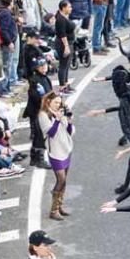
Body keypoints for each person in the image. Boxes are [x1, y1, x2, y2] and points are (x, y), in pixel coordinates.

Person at [38, 92, 74, 221]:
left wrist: (68, 120)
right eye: (55, 102)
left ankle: (59, 206)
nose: (58, 105)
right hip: (55, 152)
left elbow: (69, 131)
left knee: (64, 180)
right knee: (61, 179)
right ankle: (53, 210)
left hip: (66, 148)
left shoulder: (60, 112)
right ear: (48, 102)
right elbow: (50, 132)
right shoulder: (43, 115)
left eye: (59, 103)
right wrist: (57, 120)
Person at [53, 1, 75, 94]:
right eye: (69, 7)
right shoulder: (60, 19)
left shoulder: (64, 17)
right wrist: (66, 46)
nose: (71, 8)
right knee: (63, 65)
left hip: (69, 42)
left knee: (67, 65)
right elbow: (62, 34)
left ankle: (66, 84)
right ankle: (62, 86)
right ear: (63, 7)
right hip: (63, 44)